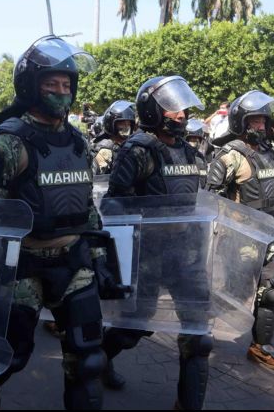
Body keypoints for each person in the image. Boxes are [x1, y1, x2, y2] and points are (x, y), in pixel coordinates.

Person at [0, 36, 124, 410]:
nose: (61, 92)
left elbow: (86, 204)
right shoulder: (7, 143)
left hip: (72, 260)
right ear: (31, 87)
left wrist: (101, 257)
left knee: (88, 358)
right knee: (13, 355)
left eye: (66, 85)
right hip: (22, 265)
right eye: (51, 84)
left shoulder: (77, 141)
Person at [102, 75, 212, 410]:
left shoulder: (193, 154)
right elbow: (113, 206)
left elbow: (201, 203)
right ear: (152, 110)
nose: (180, 115)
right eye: (172, 108)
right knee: (135, 327)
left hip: (187, 256)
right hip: (146, 255)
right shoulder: (136, 152)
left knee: (198, 336)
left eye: (182, 108)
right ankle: (97, 359)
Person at [206, 90, 274, 372]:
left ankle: (260, 346)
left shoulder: (270, 154)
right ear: (241, 122)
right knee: (231, 293)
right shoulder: (229, 156)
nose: (262, 127)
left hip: (267, 237)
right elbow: (211, 199)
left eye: (264, 121)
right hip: (239, 239)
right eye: (255, 121)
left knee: (272, 293)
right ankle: (196, 327)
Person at [91, 100, 136, 175]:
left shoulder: (128, 145)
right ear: (111, 124)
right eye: (122, 123)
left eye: (128, 124)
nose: (126, 127)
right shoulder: (106, 149)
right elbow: (96, 179)